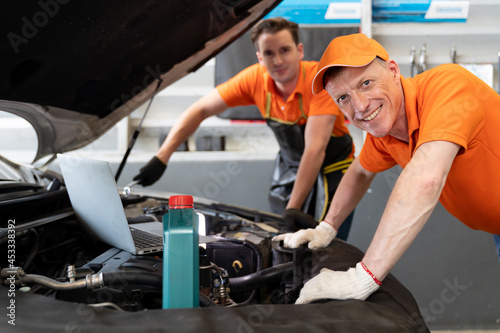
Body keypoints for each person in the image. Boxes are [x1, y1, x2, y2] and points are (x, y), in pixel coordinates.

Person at [274, 33, 500, 304]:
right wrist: (326, 229)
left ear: (393, 71)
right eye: (343, 98)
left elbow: (425, 178)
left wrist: (362, 277)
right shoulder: (388, 132)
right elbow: (360, 172)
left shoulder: (449, 86)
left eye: (366, 83)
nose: (359, 106)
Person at [132, 18, 355, 239]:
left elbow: (315, 150)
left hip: (333, 170)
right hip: (291, 168)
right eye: (269, 53)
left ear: (299, 50)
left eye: (285, 50)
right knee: (285, 242)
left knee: (326, 243)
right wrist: (162, 157)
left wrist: (293, 207)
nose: (278, 60)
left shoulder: (319, 82)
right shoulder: (254, 80)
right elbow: (199, 110)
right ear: (259, 57)